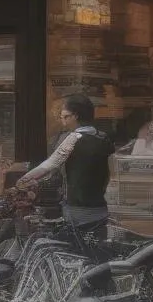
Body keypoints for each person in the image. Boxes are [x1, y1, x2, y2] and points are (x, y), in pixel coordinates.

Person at [17, 93, 115, 237]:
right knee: (97, 249)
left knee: (75, 250)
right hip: (100, 208)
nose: (62, 121)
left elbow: (51, 164)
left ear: (75, 116)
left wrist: (23, 181)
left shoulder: (73, 138)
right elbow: (109, 171)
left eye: (65, 116)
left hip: (78, 208)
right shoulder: (104, 137)